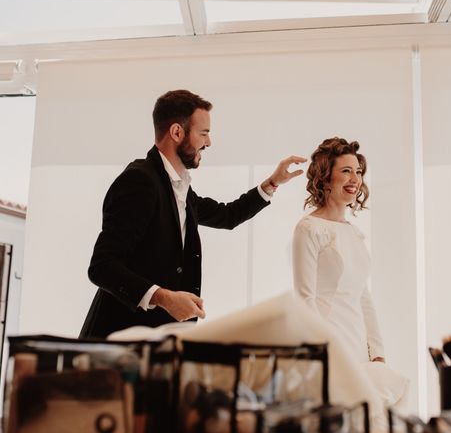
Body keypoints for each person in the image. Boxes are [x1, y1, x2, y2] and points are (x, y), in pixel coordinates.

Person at [80, 89, 305, 339]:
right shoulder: (139, 181)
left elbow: (227, 215)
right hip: (117, 343)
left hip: (157, 344)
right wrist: (164, 298)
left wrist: (273, 182)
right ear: (177, 132)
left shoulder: (180, 189)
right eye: (204, 133)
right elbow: (102, 266)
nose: (208, 143)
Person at [292, 137, 408, 406]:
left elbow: (363, 296)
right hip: (328, 344)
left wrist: (377, 351)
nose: (355, 178)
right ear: (325, 178)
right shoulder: (308, 229)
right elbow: (304, 299)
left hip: (358, 345)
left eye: (358, 171)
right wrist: (324, 351)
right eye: (346, 171)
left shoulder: (354, 234)